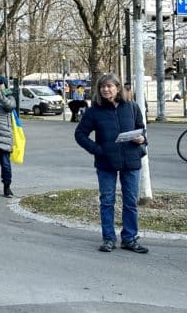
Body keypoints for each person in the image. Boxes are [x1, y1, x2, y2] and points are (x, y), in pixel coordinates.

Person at [75, 73, 149, 254]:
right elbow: (80, 135)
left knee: (130, 201)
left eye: (109, 86)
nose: (106, 89)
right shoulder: (94, 111)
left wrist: (141, 139)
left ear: (118, 88)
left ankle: (129, 238)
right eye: (102, 87)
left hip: (131, 160)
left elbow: (142, 130)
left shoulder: (132, 107)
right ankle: (108, 238)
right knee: (107, 201)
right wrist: (98, 150)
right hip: (106, 163)